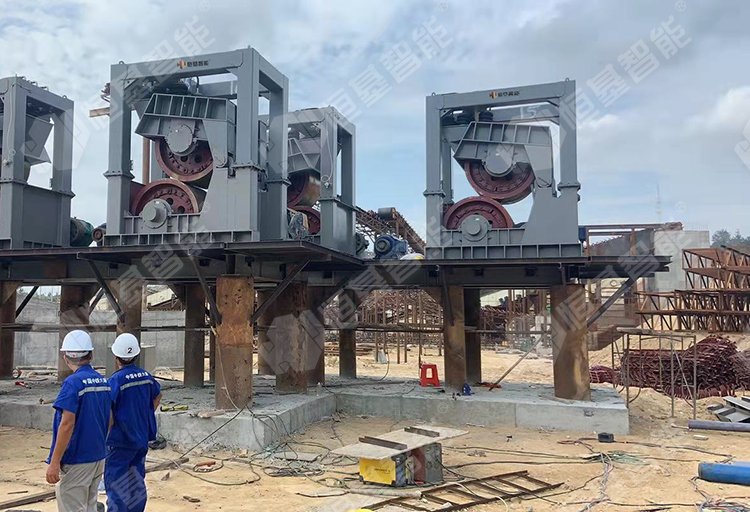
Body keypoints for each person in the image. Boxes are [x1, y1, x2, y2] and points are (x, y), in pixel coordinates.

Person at [46, 330, 111, 512]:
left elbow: (67, 424)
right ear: (90, 355)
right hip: (97, 456)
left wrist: (54, 462)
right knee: (89, 506)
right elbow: (110, 419)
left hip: (77, 459)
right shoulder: (102, 382)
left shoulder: (73, 383)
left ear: (65, 357)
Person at [105, 333, 162, 512]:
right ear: (137, 355)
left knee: (117, 486)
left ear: (116, 356)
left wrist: (103, 436)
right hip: (141, 438)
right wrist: (145, 415)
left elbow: (109, 413)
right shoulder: (146, 377)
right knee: (136, 482)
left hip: (119, 442)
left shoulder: (115, 380)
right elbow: (158, 395)